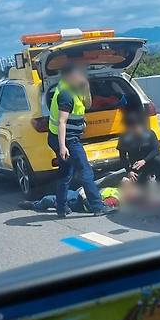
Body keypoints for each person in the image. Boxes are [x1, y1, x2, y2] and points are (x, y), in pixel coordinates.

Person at [47, 63, 114, 218]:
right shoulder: (65, 94)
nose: (82, 77)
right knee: (85, 171)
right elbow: (62, 122)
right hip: (67, 139)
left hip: (66, 137)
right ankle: (97, 206)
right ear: (70, 76)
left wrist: (86, 86)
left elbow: (88, 104)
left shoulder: (74, 88)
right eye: (79, 74)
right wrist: (63, 147)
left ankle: (61, 208)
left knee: (65, 173)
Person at [117, 111, 160, 185]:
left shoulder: (149, 133)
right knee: (138, 186)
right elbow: (122, 157)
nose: (136, 129)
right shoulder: (124, 138)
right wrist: (129, 171)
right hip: (136, 165)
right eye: (132, 127)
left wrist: (144, 161)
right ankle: (143, 178)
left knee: (159, 161)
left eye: (137, 126)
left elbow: (156, 149)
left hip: (149, 161)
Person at [18, 186, 124, 213]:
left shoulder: (115, 199)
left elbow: (96, 206)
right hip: (76, 194)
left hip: (77, 201)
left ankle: (33, 205)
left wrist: (84, 195)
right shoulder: (116, 189)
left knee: (48, 199)